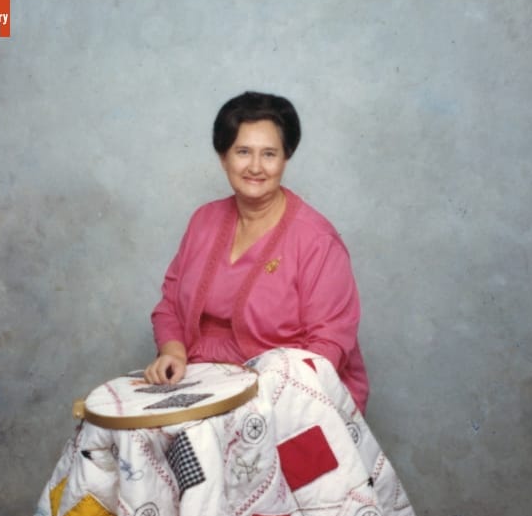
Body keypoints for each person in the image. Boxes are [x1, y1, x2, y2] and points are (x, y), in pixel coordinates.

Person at [144, 91, 369, 413]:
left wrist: (260, 398)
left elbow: (329, 344)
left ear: (285, 159)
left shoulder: (317, 240)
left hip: (289, 395)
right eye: (243, 152)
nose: (255, 167)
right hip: (200, 380)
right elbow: (169, 307)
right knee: (113, 438)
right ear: (223, 157)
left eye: (269, 154)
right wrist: (174, 353)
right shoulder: (203, 221)